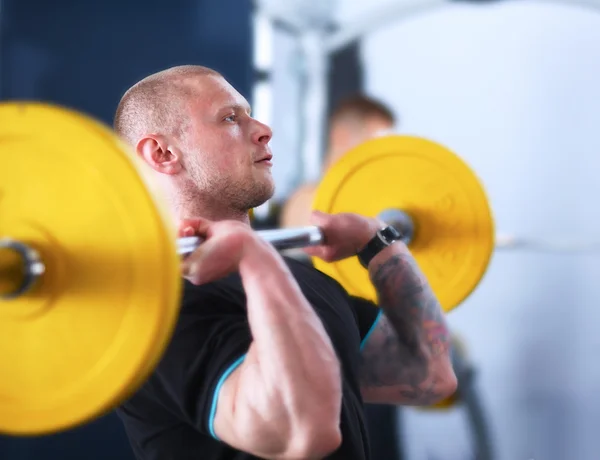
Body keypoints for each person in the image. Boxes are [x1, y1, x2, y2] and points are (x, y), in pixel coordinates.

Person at [113, 65, 457, 460]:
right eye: (230, 118)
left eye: (250, 114)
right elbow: (303, 435)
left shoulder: (302, 281)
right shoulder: (153, 310)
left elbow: (428, 374)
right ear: (163, 153)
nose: (263, 129)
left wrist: (379, 243)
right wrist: (256, 259)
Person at [280, 95, 396, 229]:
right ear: (342, 136)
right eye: (374, 145)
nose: (380, 156)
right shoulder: (308, 201)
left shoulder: (369, 200)